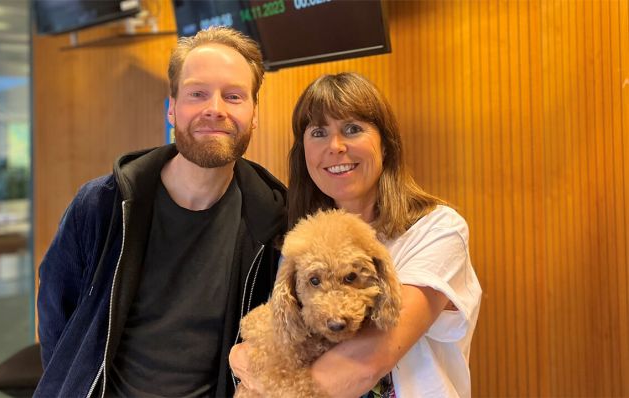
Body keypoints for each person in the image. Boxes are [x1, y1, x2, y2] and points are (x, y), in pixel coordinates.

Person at [35, 26, 287, 398]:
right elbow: (59, 320)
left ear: (253, 114)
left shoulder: (276, 223)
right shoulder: (102, 205)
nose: (214, 109)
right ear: (172, 107)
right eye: (197, 93)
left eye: (233, 96)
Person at [230, 72, 482, 397]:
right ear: (303, 154)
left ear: (386, 145)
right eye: (319, 132)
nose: (335, 147)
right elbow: (273, 340)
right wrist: (242, 356)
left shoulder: (438, 230)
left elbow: (360, 367)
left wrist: (257, 373)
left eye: (352, 129)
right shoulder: (304, 242)